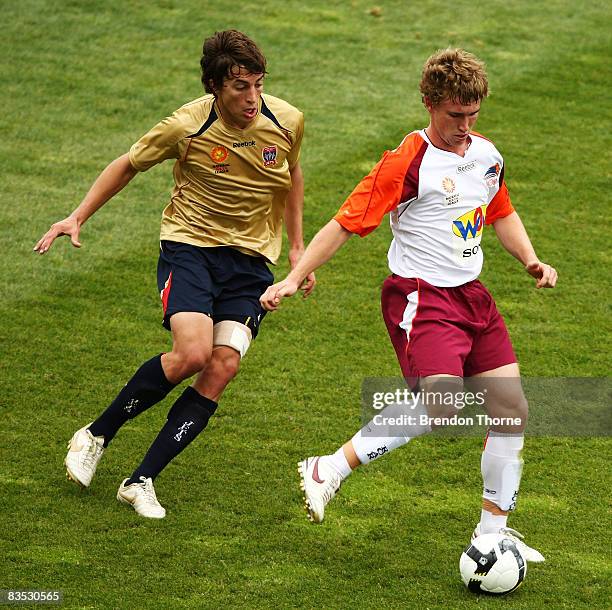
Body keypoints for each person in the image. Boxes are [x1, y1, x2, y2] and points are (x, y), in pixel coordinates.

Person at [261, 48, 556, 562]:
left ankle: (492, 533)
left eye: (473, 114)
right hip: (424, 296)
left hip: (474, 298)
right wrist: (296, 275)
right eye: (455, 115)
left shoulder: (486, 154)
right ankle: (327, 467)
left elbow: (501, 210)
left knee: (512, 410)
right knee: (442, 405)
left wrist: (530, 259)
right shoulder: (408, 161)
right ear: (429, 103)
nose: (465, 126)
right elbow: (344, 223)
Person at [34, 29, 314, 519]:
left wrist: (296, 249)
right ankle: (96, 434)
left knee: (223, 364)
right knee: (192, 352)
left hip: (250, 263)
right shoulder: (186, 126)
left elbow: (290, 177)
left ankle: (141, 480)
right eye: (239, 88)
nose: (252, 98)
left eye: (258, 85)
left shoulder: (287, 121)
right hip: (190, 246)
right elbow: (127, 165)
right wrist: (78, 215)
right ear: (213, 86)